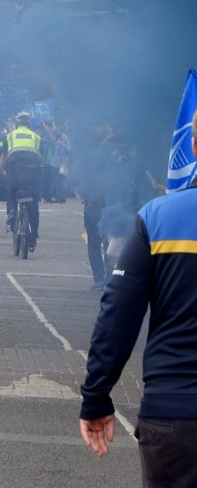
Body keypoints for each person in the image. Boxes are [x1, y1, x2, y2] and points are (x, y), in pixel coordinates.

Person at [79, 109, 197, 480]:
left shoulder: (158, 218)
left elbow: (119, 312)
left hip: (175, 413)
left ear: (193, 145)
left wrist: (96, 395)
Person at [0, 112, 44, 249]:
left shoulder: (10, 136)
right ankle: (33, 237)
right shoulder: (36, 137)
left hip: (15, 168)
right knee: (34, 202)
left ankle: (12, 212)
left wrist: (0, 170)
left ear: (17, 123)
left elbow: (4, 156)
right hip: (32, 170)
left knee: (12, 191)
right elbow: (42, 159)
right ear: (29, 124)